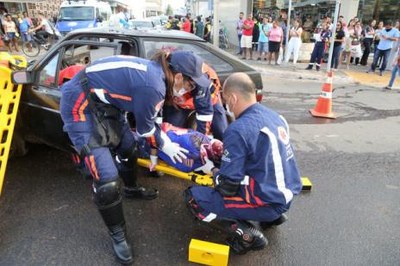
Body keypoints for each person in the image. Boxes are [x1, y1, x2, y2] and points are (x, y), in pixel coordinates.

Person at [59, 50, 210, 264]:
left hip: (106, 103)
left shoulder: (160, 79)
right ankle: (118, 236)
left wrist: (158, 150)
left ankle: (130, 189)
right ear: (178, 77)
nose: (190, 90)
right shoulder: (154, 85)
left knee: (128, 148)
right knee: (107, 179)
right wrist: (166, 145)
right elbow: (146, 129)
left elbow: (153, 120)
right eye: (191, 84)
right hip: (80, 102)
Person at [184, 72, 302, 255]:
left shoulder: (239, 129)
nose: (226, 106)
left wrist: (213, 170)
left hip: (268, 201)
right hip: (286, 192)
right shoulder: (276, 117)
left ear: (232, 97)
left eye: (225, 100)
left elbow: (227, 186)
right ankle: (274, 217)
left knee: (194, 196)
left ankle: (247, 235)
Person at [163, 62, 228, 141]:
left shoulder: (203, 84)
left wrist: (201, 143)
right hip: (182, 103)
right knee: (171, 132)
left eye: (190, 87)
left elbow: (205, 113)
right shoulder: (168, 76)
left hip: (209, 101)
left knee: (221, 132)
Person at [136, 122, 223, 173]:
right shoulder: (193, 156)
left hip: (157, 132)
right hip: (147, 143)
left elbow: (165, 128)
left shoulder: (202, 139)